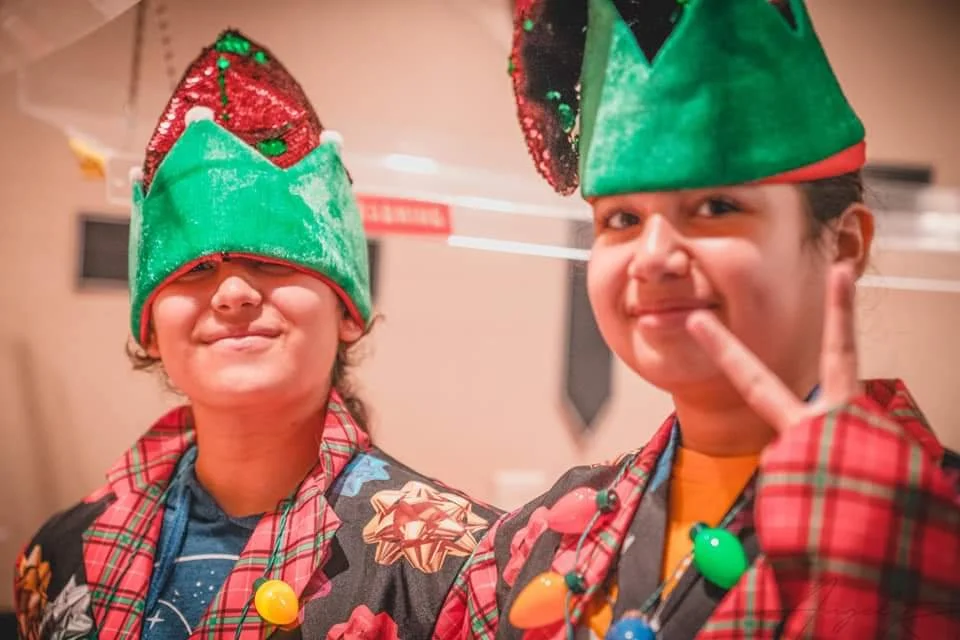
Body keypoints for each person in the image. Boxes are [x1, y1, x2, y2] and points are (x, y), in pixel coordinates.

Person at [434, 0, 960, 638]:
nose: (653, 256)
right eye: (621, 219)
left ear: (843, 244)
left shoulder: (933, 532)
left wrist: (903, 571)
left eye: (715, 207)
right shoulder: (537, 539)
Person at [14, 29, 501, 640]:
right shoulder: (56, 558)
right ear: (150, 331)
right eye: (194, 269)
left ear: (348, 313)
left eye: (271, 262)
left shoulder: (461, 566)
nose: (233, 292)